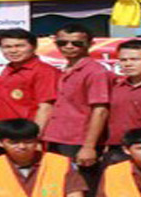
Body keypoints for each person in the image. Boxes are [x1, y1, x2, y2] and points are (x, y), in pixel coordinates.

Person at [41, 23, 109, 179]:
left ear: (90, 44)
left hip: (78, 141)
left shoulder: (95, 72)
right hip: (55, 137)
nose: (69, 47)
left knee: (80, 186)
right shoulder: (63, 70)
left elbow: (100, 111)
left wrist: (89, 146)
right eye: (62, 43)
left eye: (77, 43)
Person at [0, 28, 59, 159]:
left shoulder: (44, 72)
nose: (13, 50)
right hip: (5, 137)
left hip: (25, 141)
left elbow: (46, 108)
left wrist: (35, 140)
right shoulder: (7, 69)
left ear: (33, 47)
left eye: (20, 46)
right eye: (7, 47)